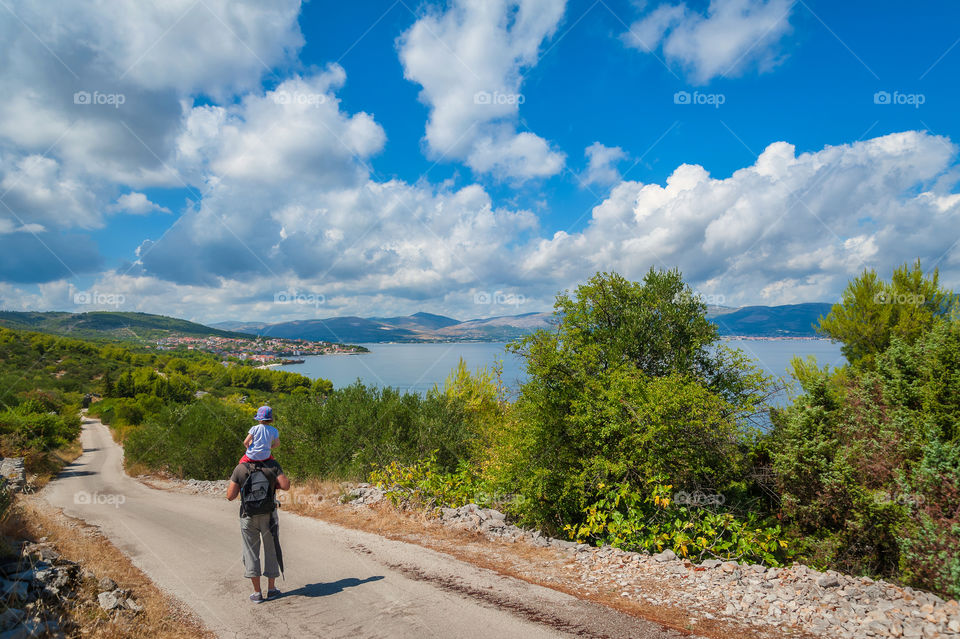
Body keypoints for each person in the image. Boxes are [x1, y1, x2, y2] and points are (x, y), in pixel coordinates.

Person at [226, 455, 290, 603]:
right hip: (269, 516)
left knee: (250, 552)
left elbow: (230, 496)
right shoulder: (272, 465)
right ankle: (272, 590)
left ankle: (257, 593)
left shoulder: (240, 468)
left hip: (248, 515)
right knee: (271, 550)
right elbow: (285, 485)